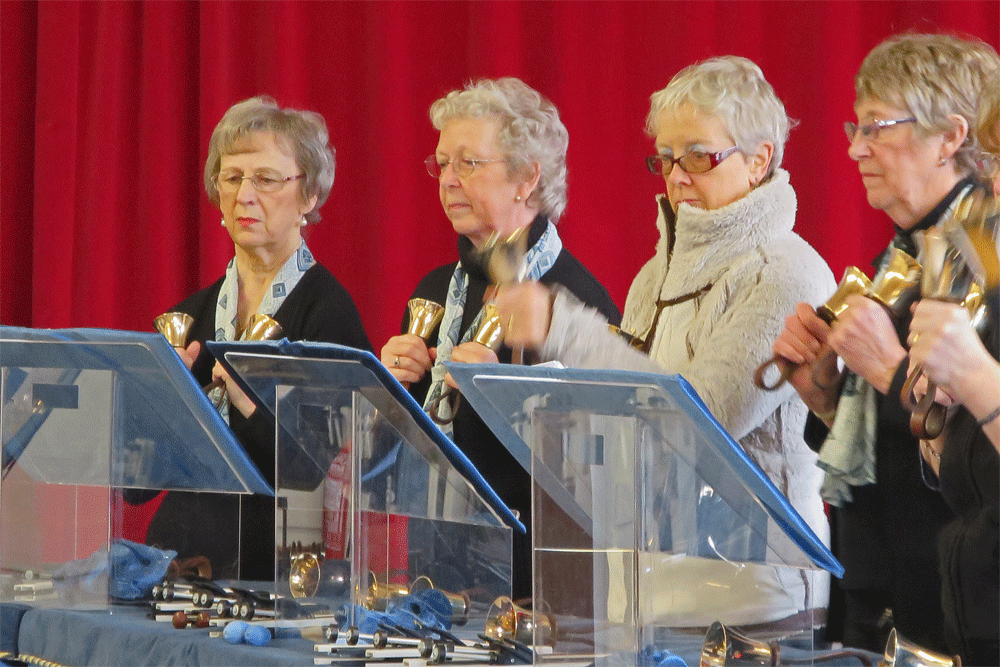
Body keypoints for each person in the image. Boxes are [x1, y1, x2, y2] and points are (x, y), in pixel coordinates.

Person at [495, 56, 835, 625]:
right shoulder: (654, 274)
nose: (677, 177)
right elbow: (624, 422)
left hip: (754, 605)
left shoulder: (786, 274)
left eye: (700, 156)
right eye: (666, 159)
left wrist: (563, 327)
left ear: (759, 160)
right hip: (645, 595)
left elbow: (701, 420)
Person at [770, 34, 997, 654]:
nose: (853, 148)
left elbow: (975, 452)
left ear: (951, 137)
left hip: (951, 611)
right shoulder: (907, 251)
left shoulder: (982, 259)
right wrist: (825, 399)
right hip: (876, 591)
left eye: (876, 127)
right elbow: (894, 438)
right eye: (855, 125)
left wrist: (891, 371)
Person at [379, 78, 620, 601]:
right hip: (435, 571)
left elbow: (599, 477)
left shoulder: (573, 305)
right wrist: (389, 392)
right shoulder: (434, 292)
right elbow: (398, 455)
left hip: (539, 591)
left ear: (527, 178)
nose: (447, 180)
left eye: (468, 163)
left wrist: (505, 397)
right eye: (441, 164)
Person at [131, 96, 372, 581]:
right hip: (174, 564)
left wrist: (246, 403)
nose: (244, 194)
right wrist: (157, 406)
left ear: (308, 196)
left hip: (276, 575)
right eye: (232, 176)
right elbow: (133, 490)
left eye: (265, 179)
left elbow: (309, 470)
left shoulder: (328, 315)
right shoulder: (189, 317)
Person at [905, 55, 1000, 666]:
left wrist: (975, 378)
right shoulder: (980, 264)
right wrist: (933, 413)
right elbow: (959, 477)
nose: (993, 185)